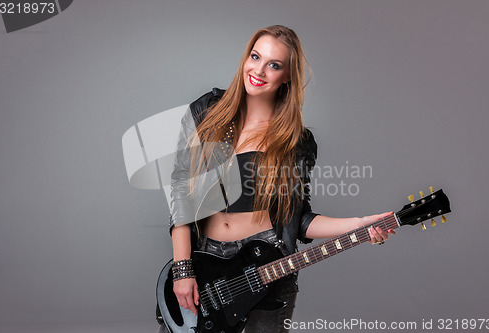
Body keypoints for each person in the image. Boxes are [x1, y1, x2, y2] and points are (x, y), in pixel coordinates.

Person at [168, 25, 395, 332]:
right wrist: (183, 269)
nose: (258, 70)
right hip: (204, 262)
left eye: (273, 65)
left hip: (268, 269)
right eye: (255, 56)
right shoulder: (207, 111)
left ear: (287, 76)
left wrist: (357, 224)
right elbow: (181, 190)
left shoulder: (297, 141)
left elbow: (298, 219)